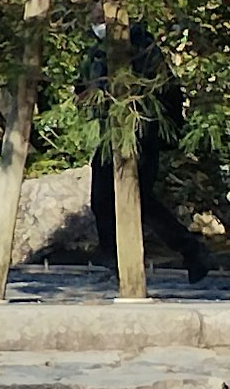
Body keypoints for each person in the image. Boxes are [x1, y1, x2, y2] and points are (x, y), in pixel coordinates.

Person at [83, 19, 211, 283]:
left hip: (143, 129)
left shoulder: (140, 45)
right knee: (103, 197)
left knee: (137, 197)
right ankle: (115, 258)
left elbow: (159, 90)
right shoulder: (97, 48)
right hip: (112, 131)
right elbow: (86, 85)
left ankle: (189, 249)